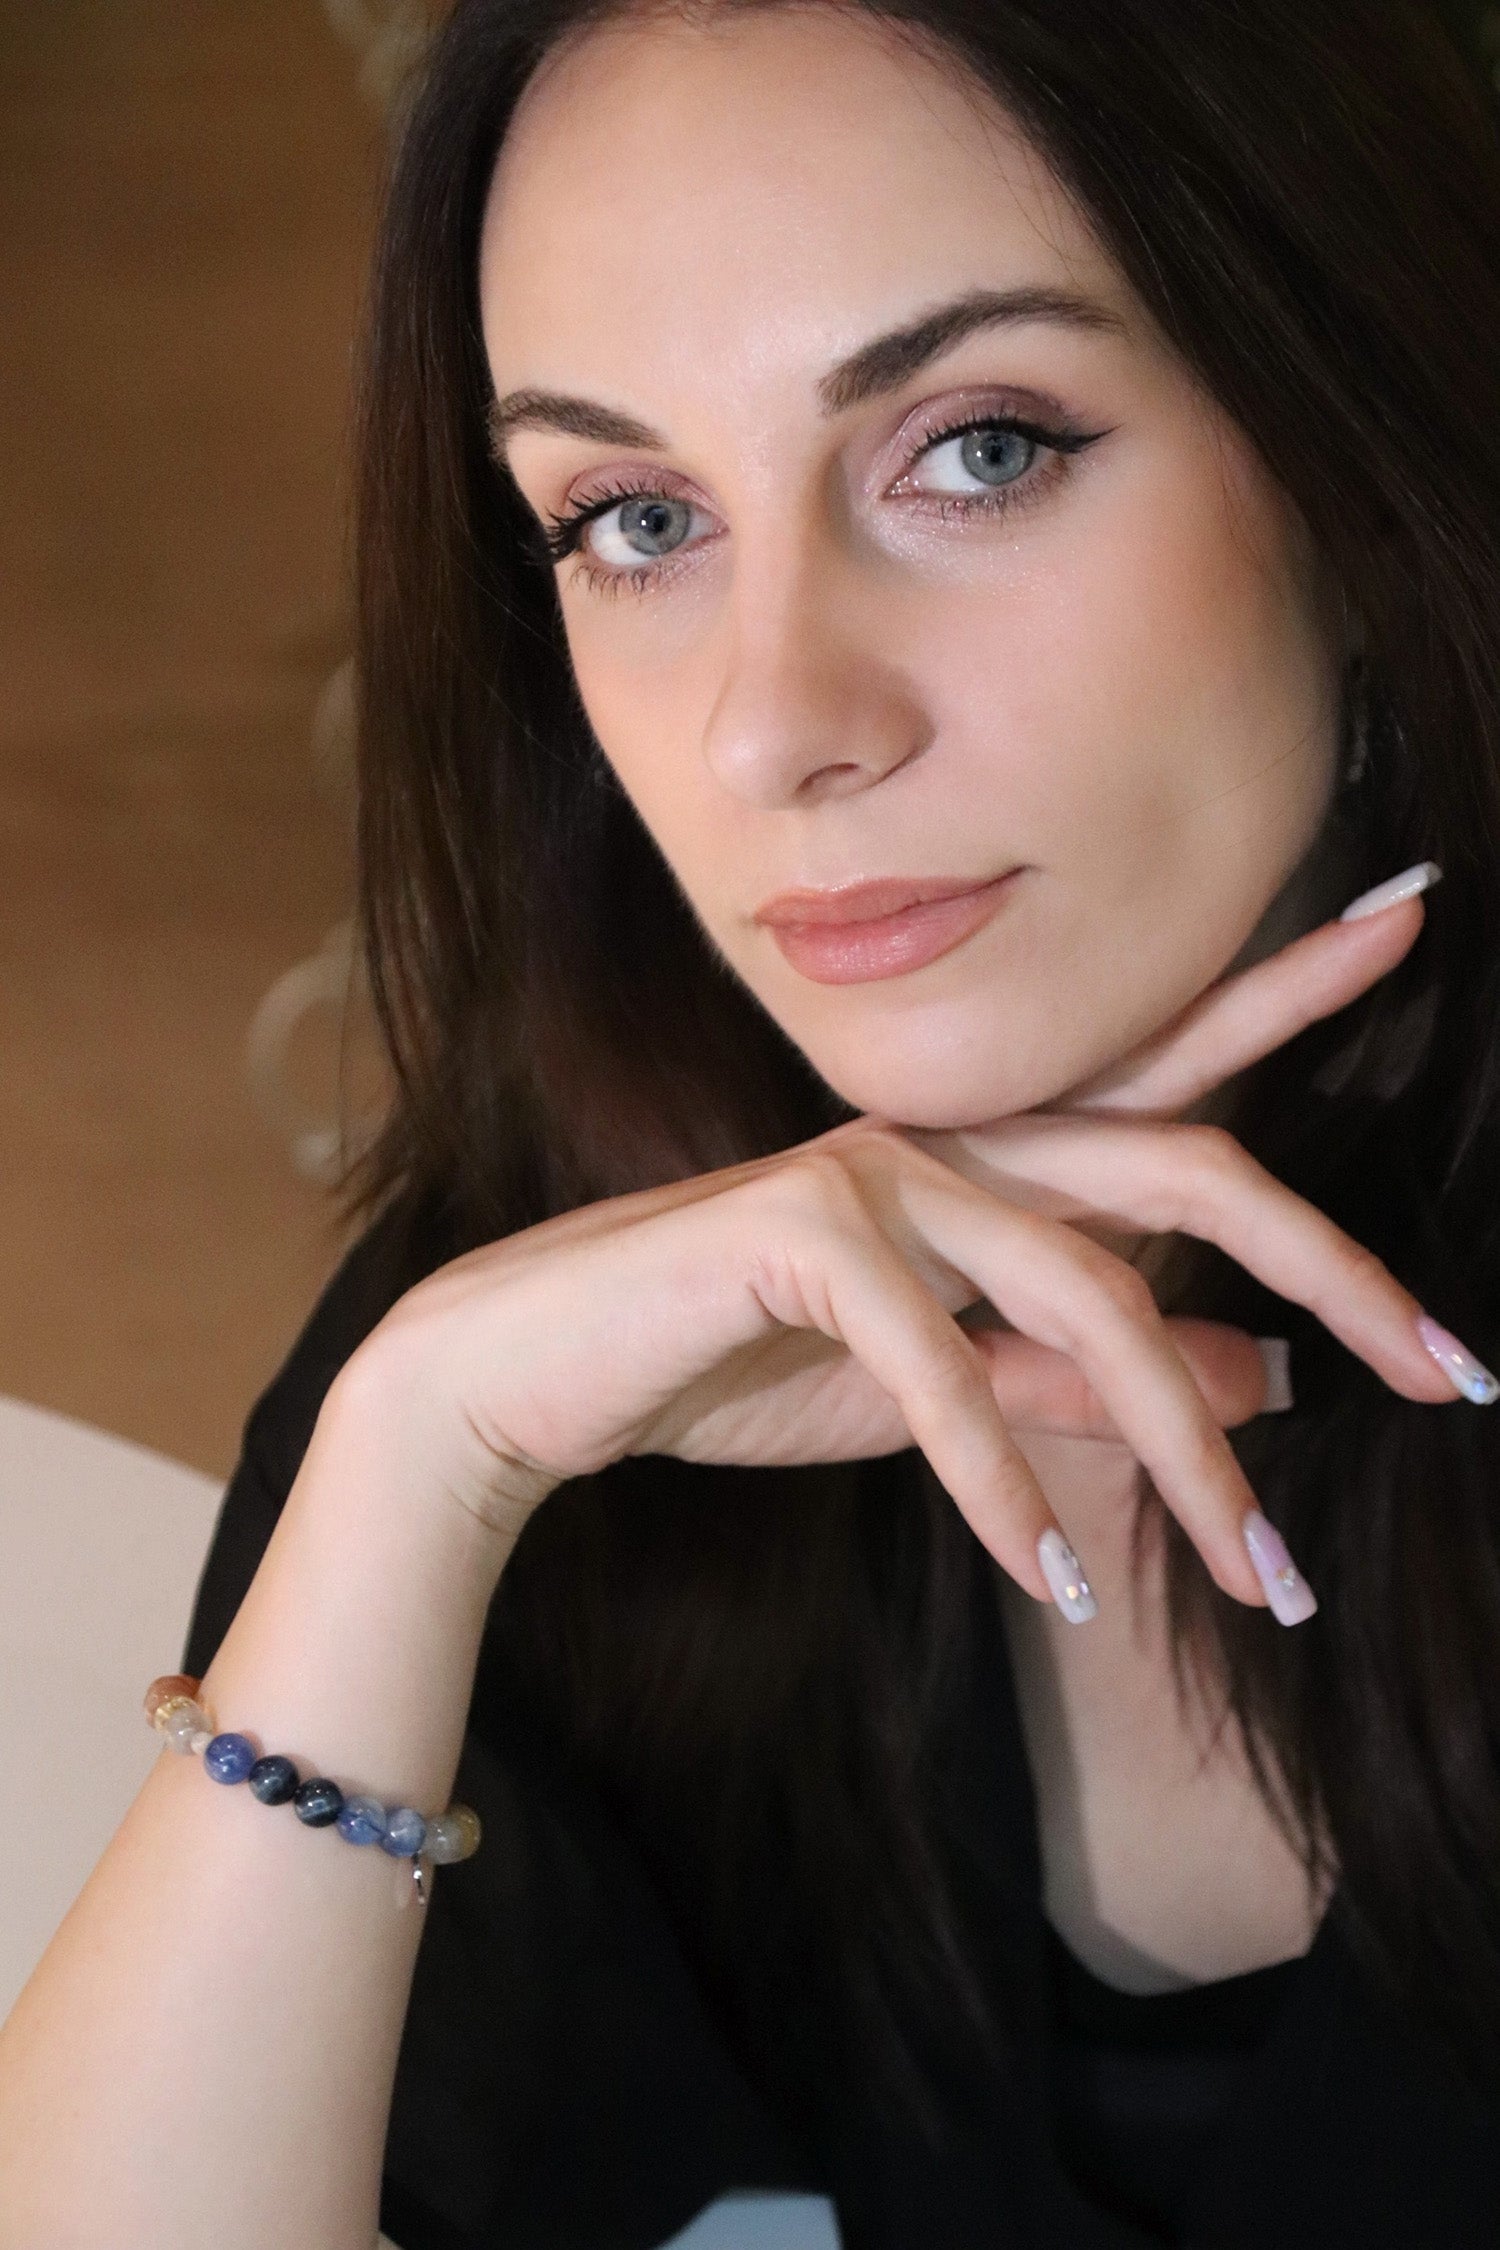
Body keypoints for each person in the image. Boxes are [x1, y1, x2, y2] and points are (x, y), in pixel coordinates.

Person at [2, 1, 1499, 2243]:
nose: (770, 725)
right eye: (631, 517)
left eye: (980, 448)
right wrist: (421, 1467)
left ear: (1360, 450)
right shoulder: (561, 1315)